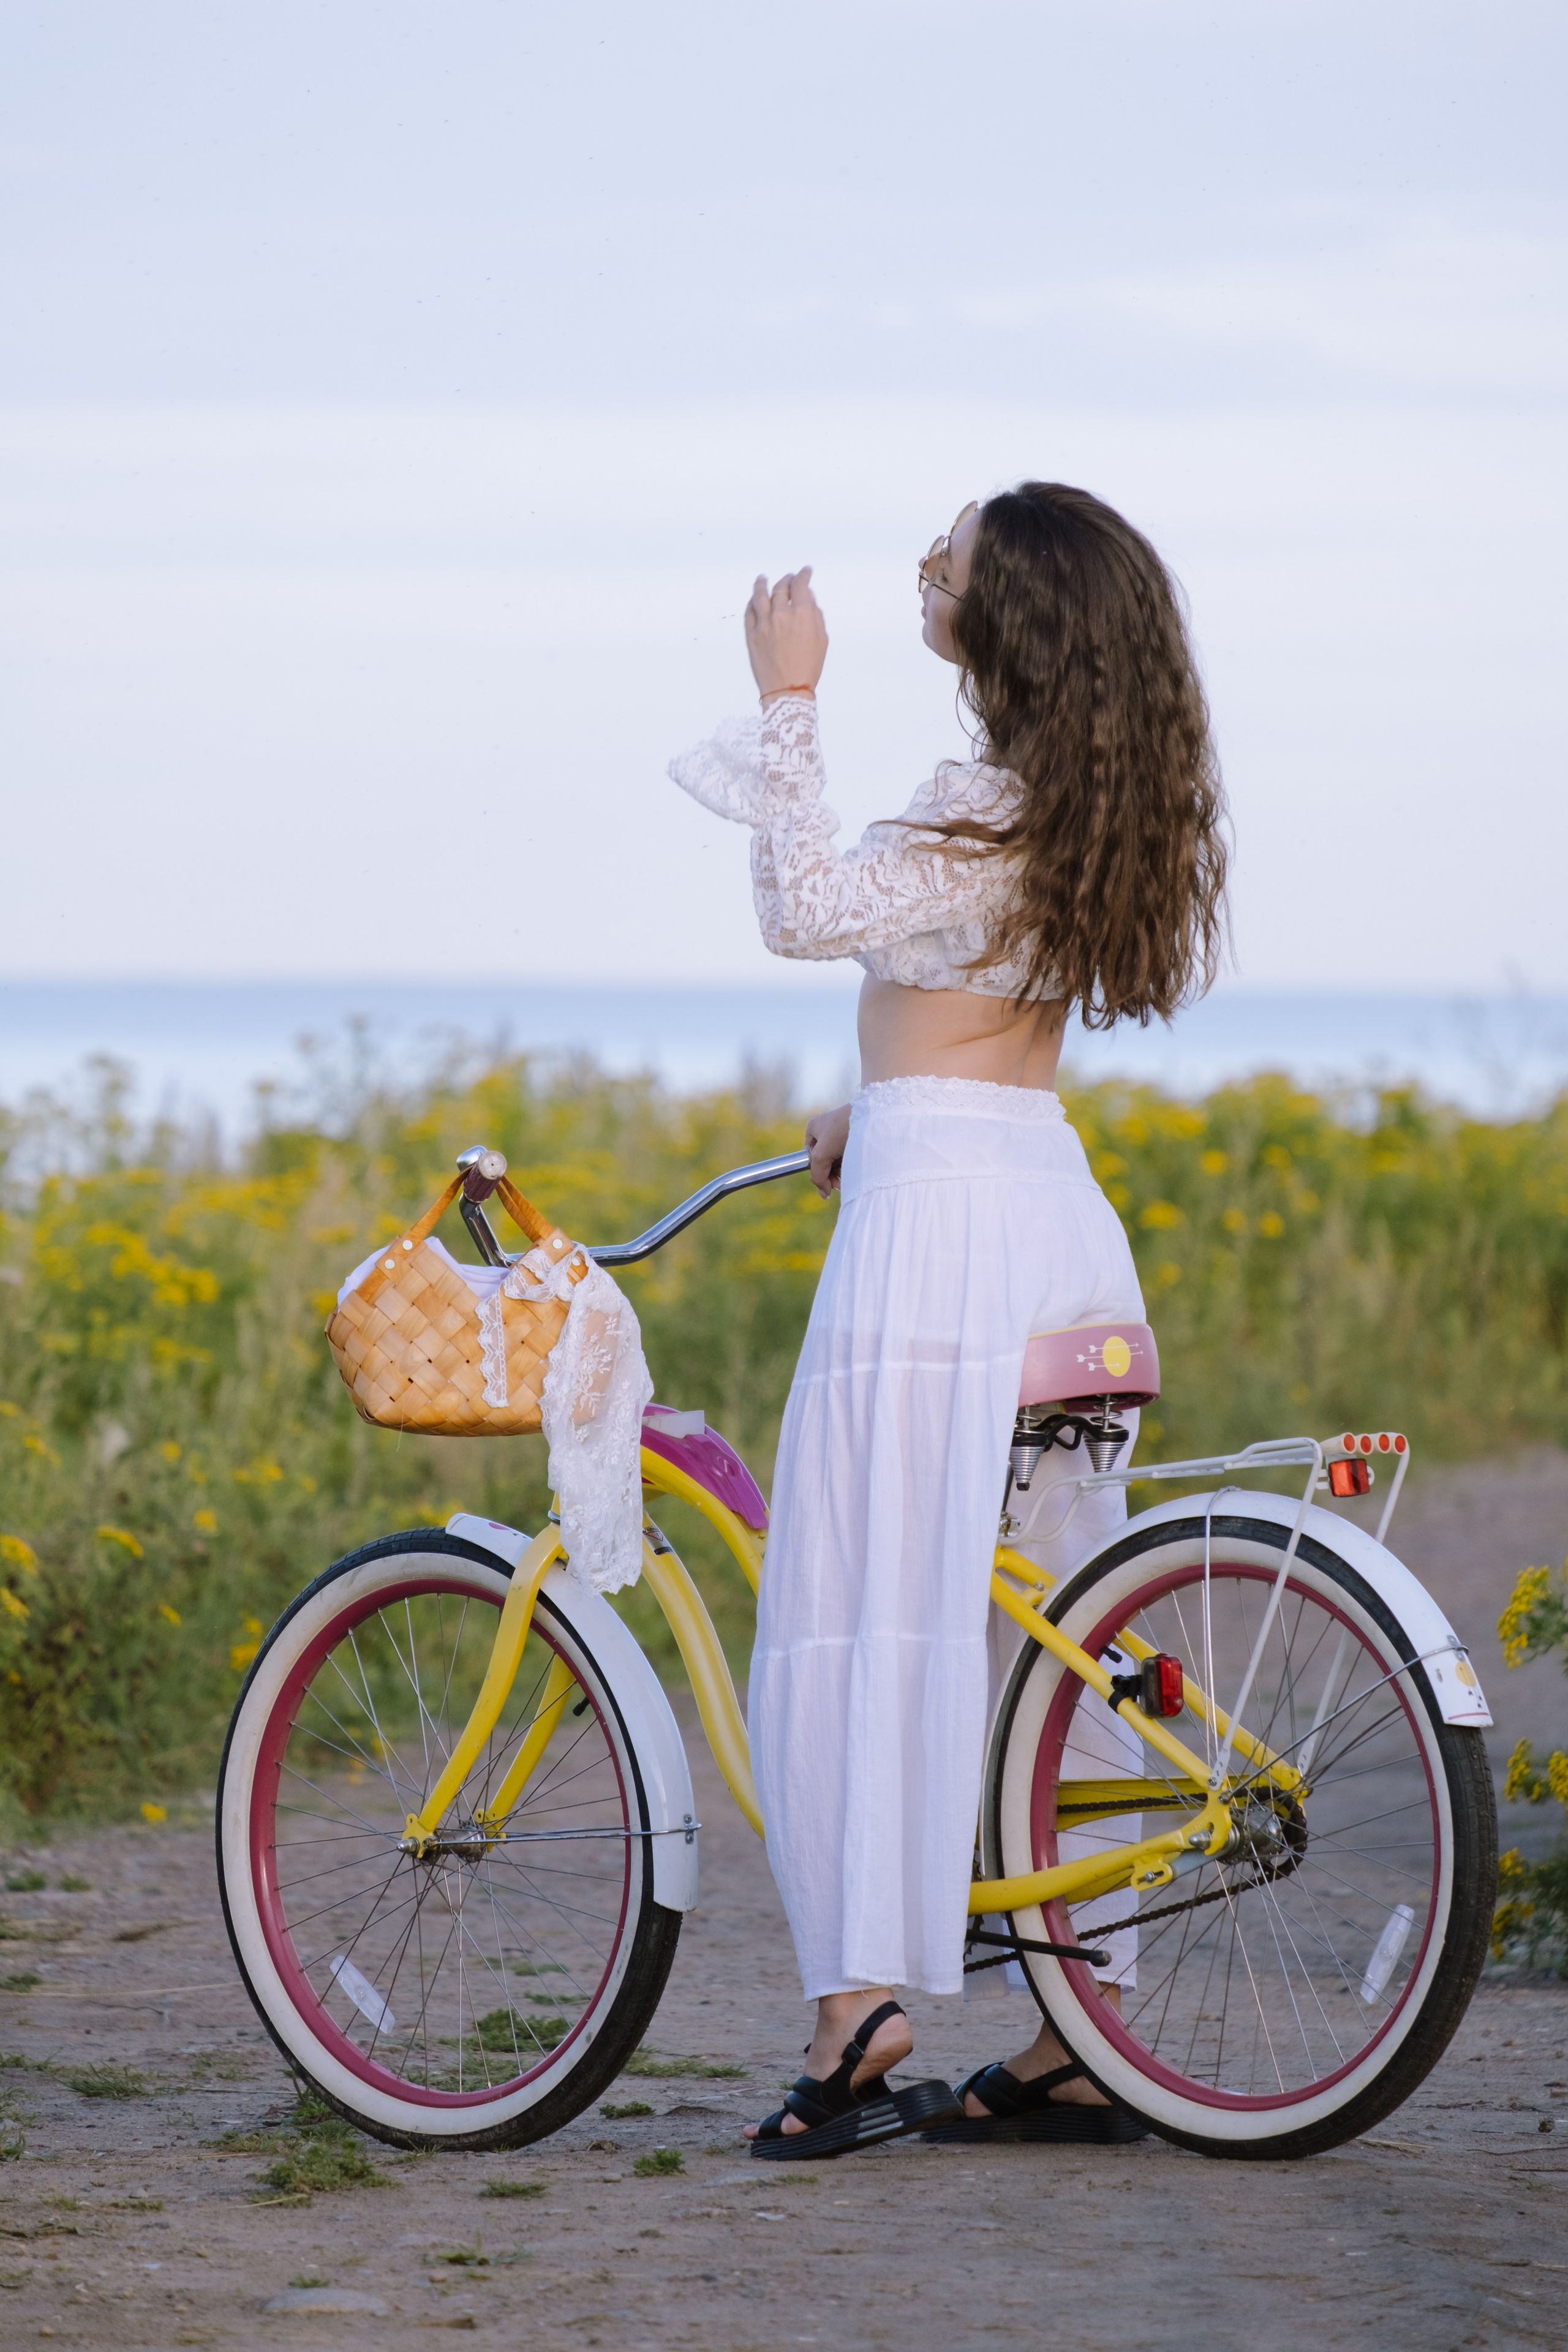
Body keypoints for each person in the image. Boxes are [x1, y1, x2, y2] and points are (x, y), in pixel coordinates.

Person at [668, 483, 1228, 2154]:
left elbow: (803, 911)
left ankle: (860, 2018)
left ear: (1017, 620)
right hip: (1044, 1209)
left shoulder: (976, 810)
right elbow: (970, 1010)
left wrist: (789, 692)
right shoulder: (1073, 806)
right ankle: (1078, 2034)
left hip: (940, 1243)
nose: (932, 560)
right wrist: (873, 1095)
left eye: (961, 551)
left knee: (855, 1608)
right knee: (1034, 1626)